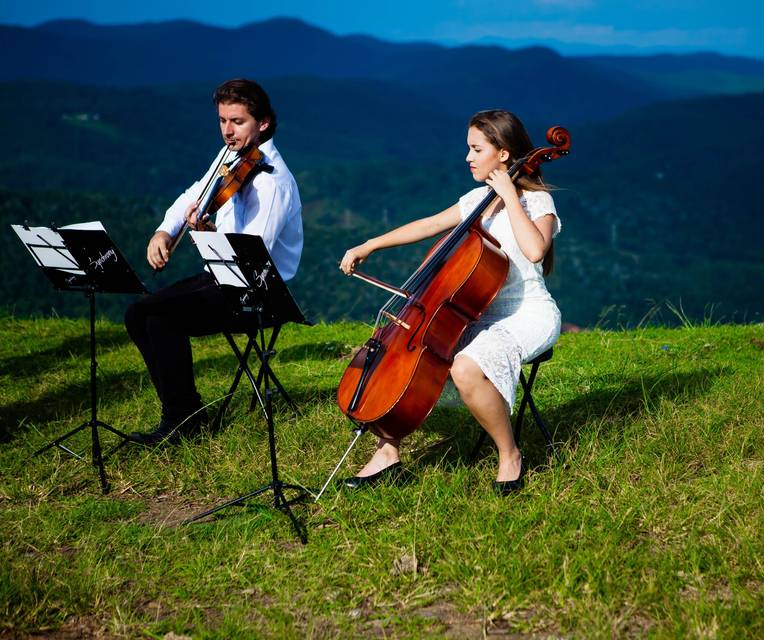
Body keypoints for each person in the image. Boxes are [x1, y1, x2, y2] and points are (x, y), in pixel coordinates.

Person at [339, 109, 561, 495]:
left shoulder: (536, 203)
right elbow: (428, 224)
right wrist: (370, 244)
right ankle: (387, 452)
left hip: (528, 314)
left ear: (504, 154)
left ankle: (509, 454)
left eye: (476, 149)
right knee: (413, 358)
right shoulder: (477, 199)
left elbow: (535, 250)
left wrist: (510, 197)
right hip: (476, 312)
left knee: (465, 367)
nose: (468, 157)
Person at [126, 78, 303, 445]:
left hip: (259, 291)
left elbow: (252, 256)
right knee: (137, 314)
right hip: (221, 275)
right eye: (222, 120)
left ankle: (184, 421)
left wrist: (207, 237)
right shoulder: (230, 157)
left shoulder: (274, 183)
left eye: (237, 121)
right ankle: (181, 411)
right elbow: (195, 193)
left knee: (161, 318)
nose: (227, 130)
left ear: (264, 123)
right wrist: (164, 232)